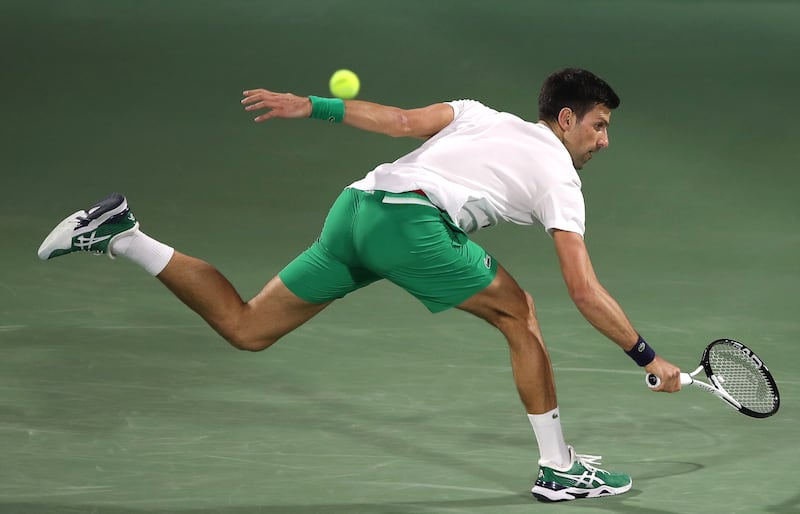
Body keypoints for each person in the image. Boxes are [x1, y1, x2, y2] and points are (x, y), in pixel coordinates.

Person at [38, 67, 681, 502]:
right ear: (566, 120)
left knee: (246, 327)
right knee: (519, 314)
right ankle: (558, 469)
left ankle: (122, 234)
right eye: (599, 125)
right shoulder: (561, 178)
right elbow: (585, 291)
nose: (605, 140)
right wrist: (647, 358)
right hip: (409, 226)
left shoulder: (479, 114)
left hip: (355, 208)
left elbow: (399, 123)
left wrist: (308, 106)